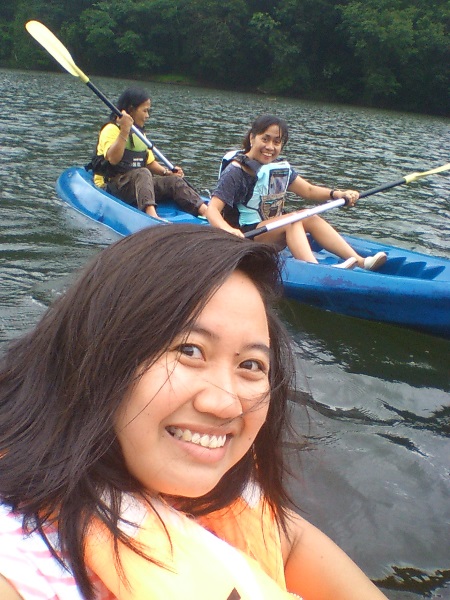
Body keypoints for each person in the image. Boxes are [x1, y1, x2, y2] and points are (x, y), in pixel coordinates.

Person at [0, 224, 388, 600]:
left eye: (251, 365)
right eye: (189, 351)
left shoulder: (238, 500)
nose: (225, 404)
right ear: (97, 354)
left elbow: (291, 540)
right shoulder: (22, 565)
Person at [206, 114, 387, 270]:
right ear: (253, 138)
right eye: (265, 139)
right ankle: (313, 269)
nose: (270, 147)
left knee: (310, 216)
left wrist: (336, 194)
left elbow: (308, 190)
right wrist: (229, 230)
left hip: (267, 230)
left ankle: (362, 262)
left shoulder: (276, 168)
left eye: (277, 142)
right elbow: (212, 209)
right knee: (293, 222)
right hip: (243, 236)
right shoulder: (237, 171)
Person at [89, 87, 207, 220]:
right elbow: (113, 159)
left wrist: (166, 172)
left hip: (138, 185)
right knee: (143, 172)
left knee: (173, 181)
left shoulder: (140, 134)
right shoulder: (111, 129)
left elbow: (149, 162)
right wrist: (124, 130)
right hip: (113, 186)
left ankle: (207, 212)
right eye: (144, 111)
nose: (147, 116)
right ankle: (151, 216)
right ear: (131, 110)